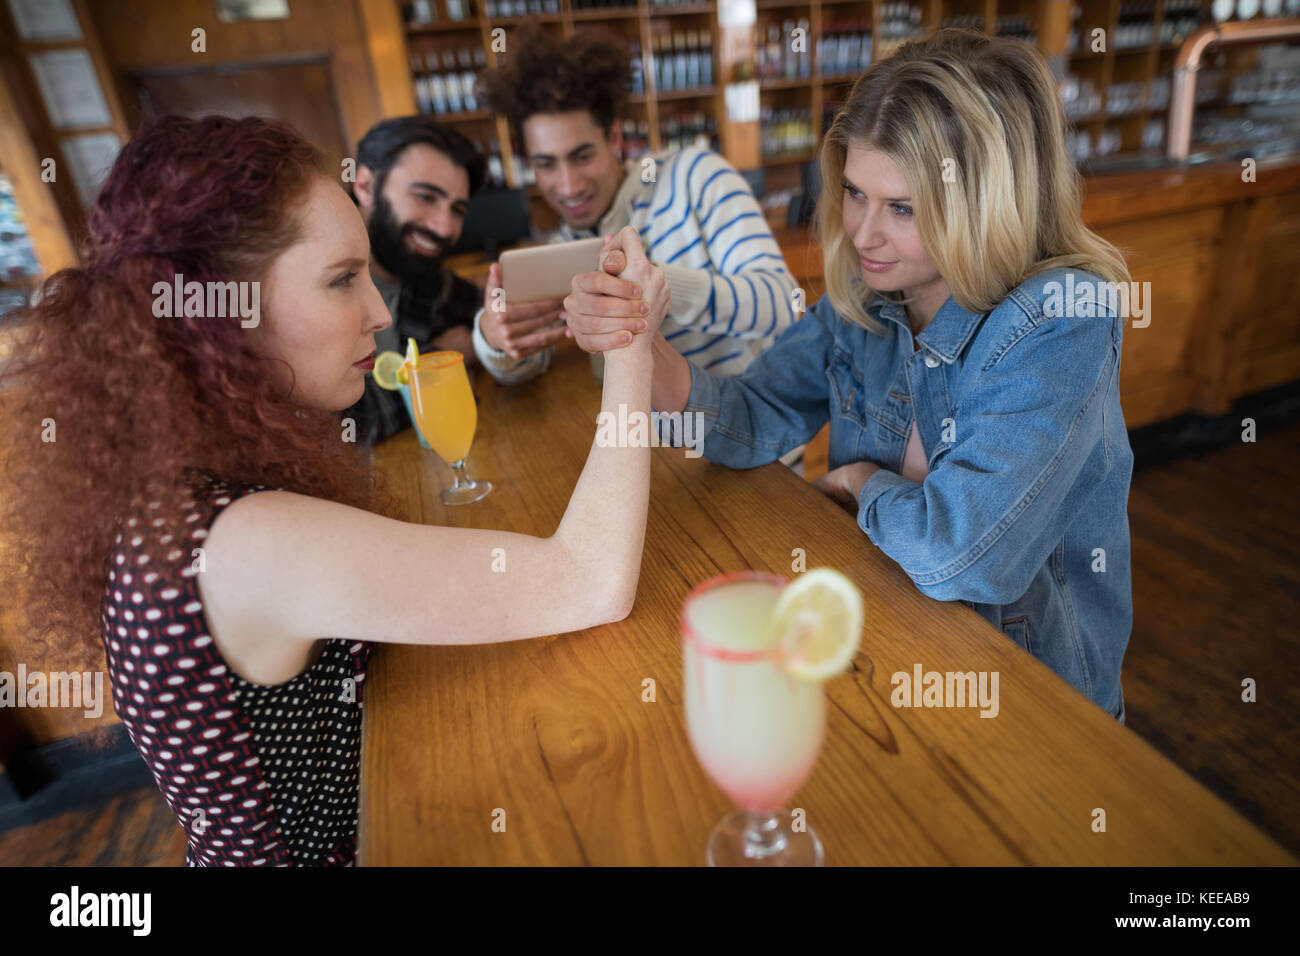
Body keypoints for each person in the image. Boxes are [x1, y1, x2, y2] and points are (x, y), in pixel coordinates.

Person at [0, 115, 668, 865]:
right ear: (217, 309)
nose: (380, 314)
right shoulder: (243, 542)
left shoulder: (179, 488)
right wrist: (633, 346)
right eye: (343, 280)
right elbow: (592, 580)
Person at [565, 29, 1135, 723]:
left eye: (901, 208)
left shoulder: (1060, 318)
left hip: (1036, 702)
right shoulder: (869, 300)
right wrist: (639, 339)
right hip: (891, 641)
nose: (862, 233)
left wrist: (862, 484)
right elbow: (751, 419)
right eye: (854, 193)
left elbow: (966, 557)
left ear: (988, 203)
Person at [472, 24, 798, 385]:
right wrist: (492, 335)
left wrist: (659, 286)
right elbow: (527, 362)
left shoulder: (696, 176)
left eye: (582, 156)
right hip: (647, 436)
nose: (568, 186)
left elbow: (785, 304)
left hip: (740, 427)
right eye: (546, 164)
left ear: (614, 136)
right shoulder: (561, 251)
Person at [341, 116, 486, 445]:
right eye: (425, 197)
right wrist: (436, 368)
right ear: (364, 185)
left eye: (457, 210)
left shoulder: (419, 273)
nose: (444, 228)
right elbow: (334, 427)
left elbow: (488, 312)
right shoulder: (314, 283)